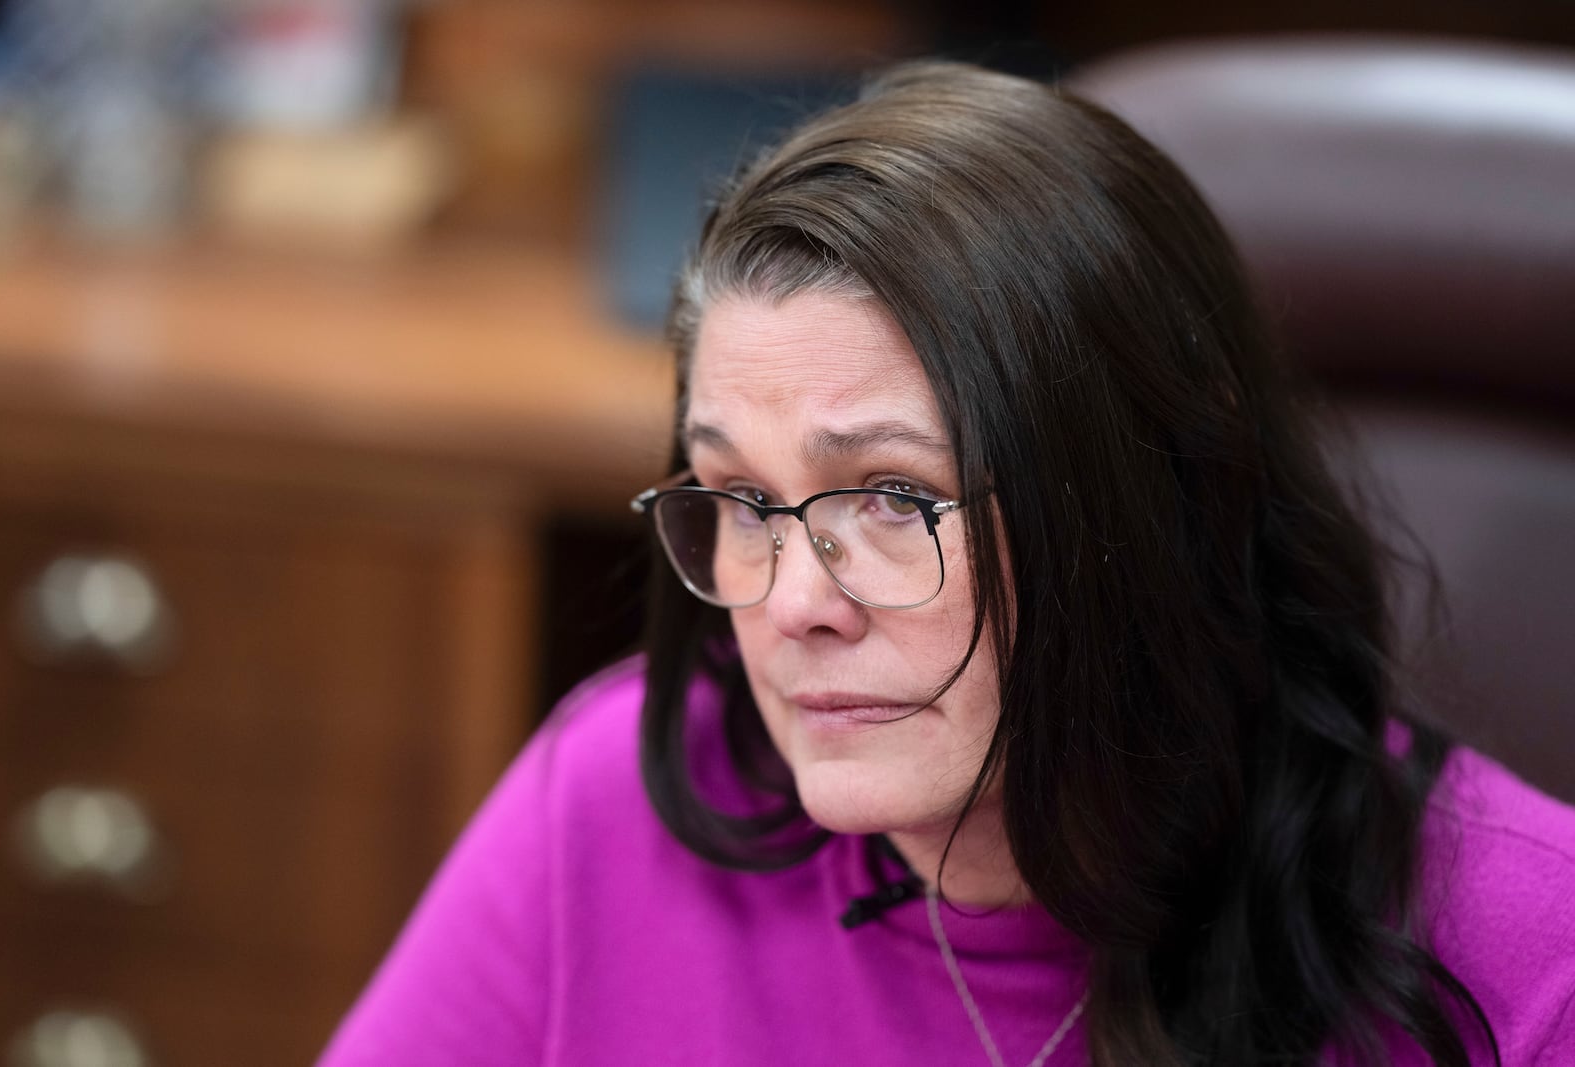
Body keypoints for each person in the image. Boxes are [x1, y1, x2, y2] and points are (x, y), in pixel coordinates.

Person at [318, 61, 1575, 1066]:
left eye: (893, 496)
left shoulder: (1531, 958)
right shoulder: (612, 804)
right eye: (743, 497)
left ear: (1148, 506)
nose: (794, 604)